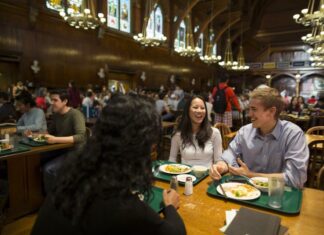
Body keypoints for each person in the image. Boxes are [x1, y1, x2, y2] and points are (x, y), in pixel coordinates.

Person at [31, 94, 186, 235]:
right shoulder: (122, 206)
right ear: (140, 149)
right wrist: (170, 206)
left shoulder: (70, 175)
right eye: (151, 146)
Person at [210, 87, 309, 189]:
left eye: (254, 109)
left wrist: (250, 175)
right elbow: (230, 155)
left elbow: (296, 179)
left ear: (271, 111)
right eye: (249, 109)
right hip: (247, 192)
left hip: (279, 196)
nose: (249, 114)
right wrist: (221, 166)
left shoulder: (293, 134)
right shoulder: (245, 132)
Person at [42, 89, 86, 193]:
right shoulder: (56, 115)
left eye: (55, 100)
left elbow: (81, 137)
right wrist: (33, 135)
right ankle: (40, 195)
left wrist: (55, 139)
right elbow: (48, 132)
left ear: (65, 101)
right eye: (51, 100)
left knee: (48, 169)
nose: (52, 103)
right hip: (61, 149)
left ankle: (53, 201)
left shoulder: (75, 114)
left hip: (76, 151)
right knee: (36, 160)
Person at [169, 95, 222, 168]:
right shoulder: (178, 134)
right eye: (195, 107)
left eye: (203, 108)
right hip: (185, 176)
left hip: (208, 176)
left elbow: (218, 160)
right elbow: (172, 159)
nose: (199, 111)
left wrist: (218, 168)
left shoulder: (214, 133)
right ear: (187, 110)